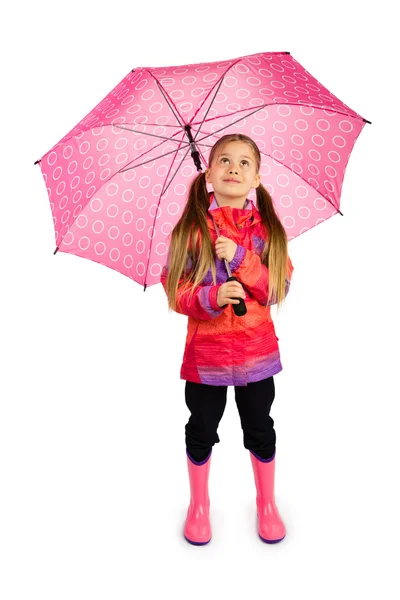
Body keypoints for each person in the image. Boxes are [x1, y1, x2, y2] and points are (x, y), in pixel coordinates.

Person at [160, 133, 294, 546]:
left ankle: (267, 503)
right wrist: (211, 296)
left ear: (256, 178)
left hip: (256, 354)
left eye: (244, 163)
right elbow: (174, 289)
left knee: (260, 426)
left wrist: (239, 258)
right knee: (201, 427)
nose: (233, 168)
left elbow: (278, 288)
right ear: (209, 175)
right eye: (223, 161)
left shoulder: (268, 231)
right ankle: (198, 506)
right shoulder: (192, 230)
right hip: (207, 357)